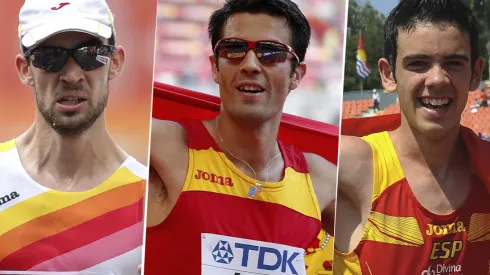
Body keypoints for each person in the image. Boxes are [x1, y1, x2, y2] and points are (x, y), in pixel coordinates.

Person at [145, 0, 337, 274]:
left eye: (270, 52)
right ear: (215, 67)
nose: (250, 65)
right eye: (233, 49)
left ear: (297, 75)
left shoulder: (323, 181)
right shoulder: (163, 148)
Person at [334, 0, 490, 274]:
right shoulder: (348, 166)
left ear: (476, 73)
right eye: (418, 63)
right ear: (388, 74)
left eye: (453, 63)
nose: (437, 79)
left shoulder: (486, 171)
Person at [0, 0, 147, 273]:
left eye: (90, 55)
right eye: (49, 57)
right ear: (24, 69)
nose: (72, 75)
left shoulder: (149, 201)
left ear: (115, 62)